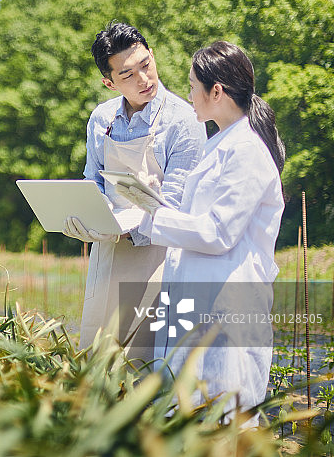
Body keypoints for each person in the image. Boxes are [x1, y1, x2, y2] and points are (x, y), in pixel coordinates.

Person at [117, 41, 285, 427]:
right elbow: (196, 222)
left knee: (226, 422)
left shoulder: (246, 151)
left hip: (227, 304)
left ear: (216, 91)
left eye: (193, 86)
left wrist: (148, 218)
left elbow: (217, 233)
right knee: (185, 418)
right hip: (196, 302)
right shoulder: (220, 145)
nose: (188, 94)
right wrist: (150, 202)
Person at [63, 22, 206, 359]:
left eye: (146, 65)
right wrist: (85, 215)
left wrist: (121, 225)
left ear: (152, 55)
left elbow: (174, 208)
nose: (144, 79)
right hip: (108, 254)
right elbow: (93, 181)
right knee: (97, 365)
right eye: (128, 75)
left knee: (148, 372)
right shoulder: (101, 119)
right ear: (109, 82)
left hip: (162, 259)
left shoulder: (184, 121)